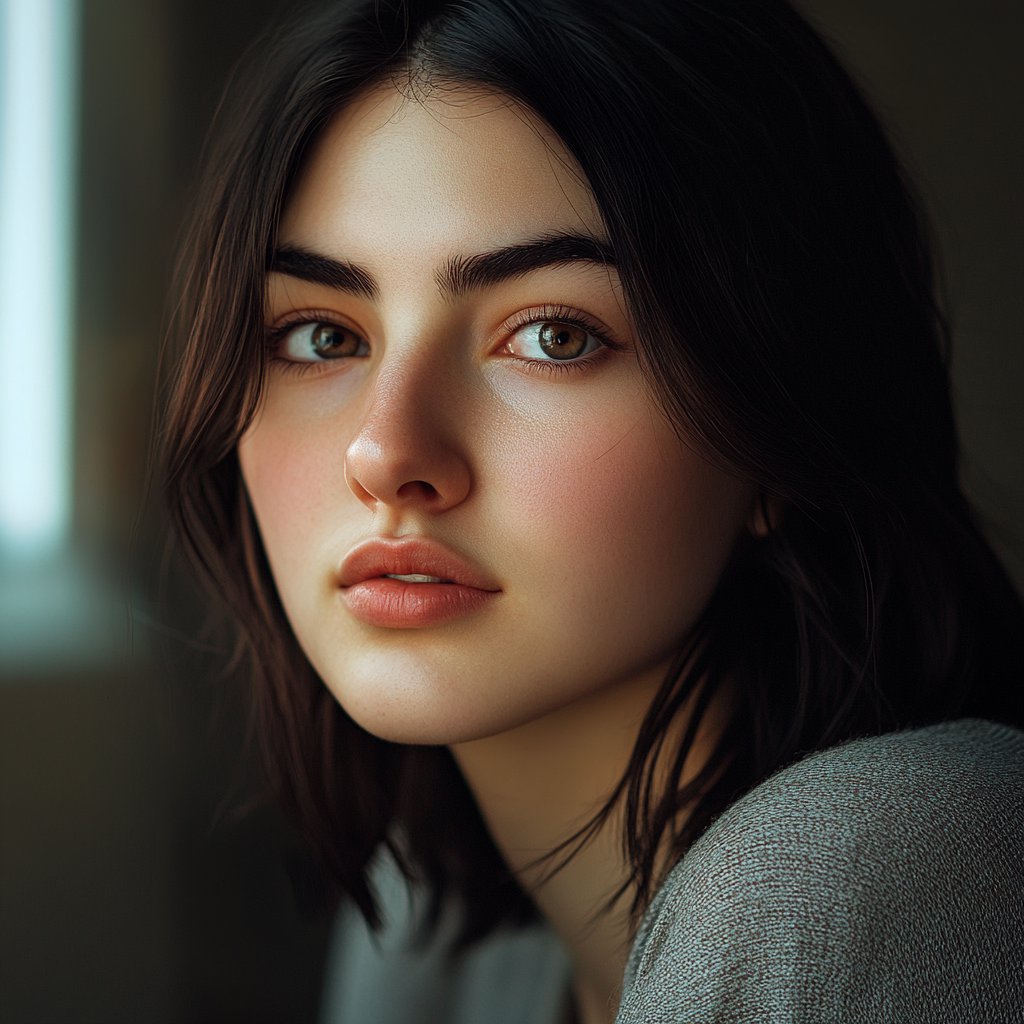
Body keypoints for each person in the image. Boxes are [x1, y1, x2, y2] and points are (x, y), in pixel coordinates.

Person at [158, 0, 1024, 1020]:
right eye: (320, 337)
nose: (387, 453)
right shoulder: (424, 913)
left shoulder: (871, 867)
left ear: (780, 422)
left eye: (555, 337)